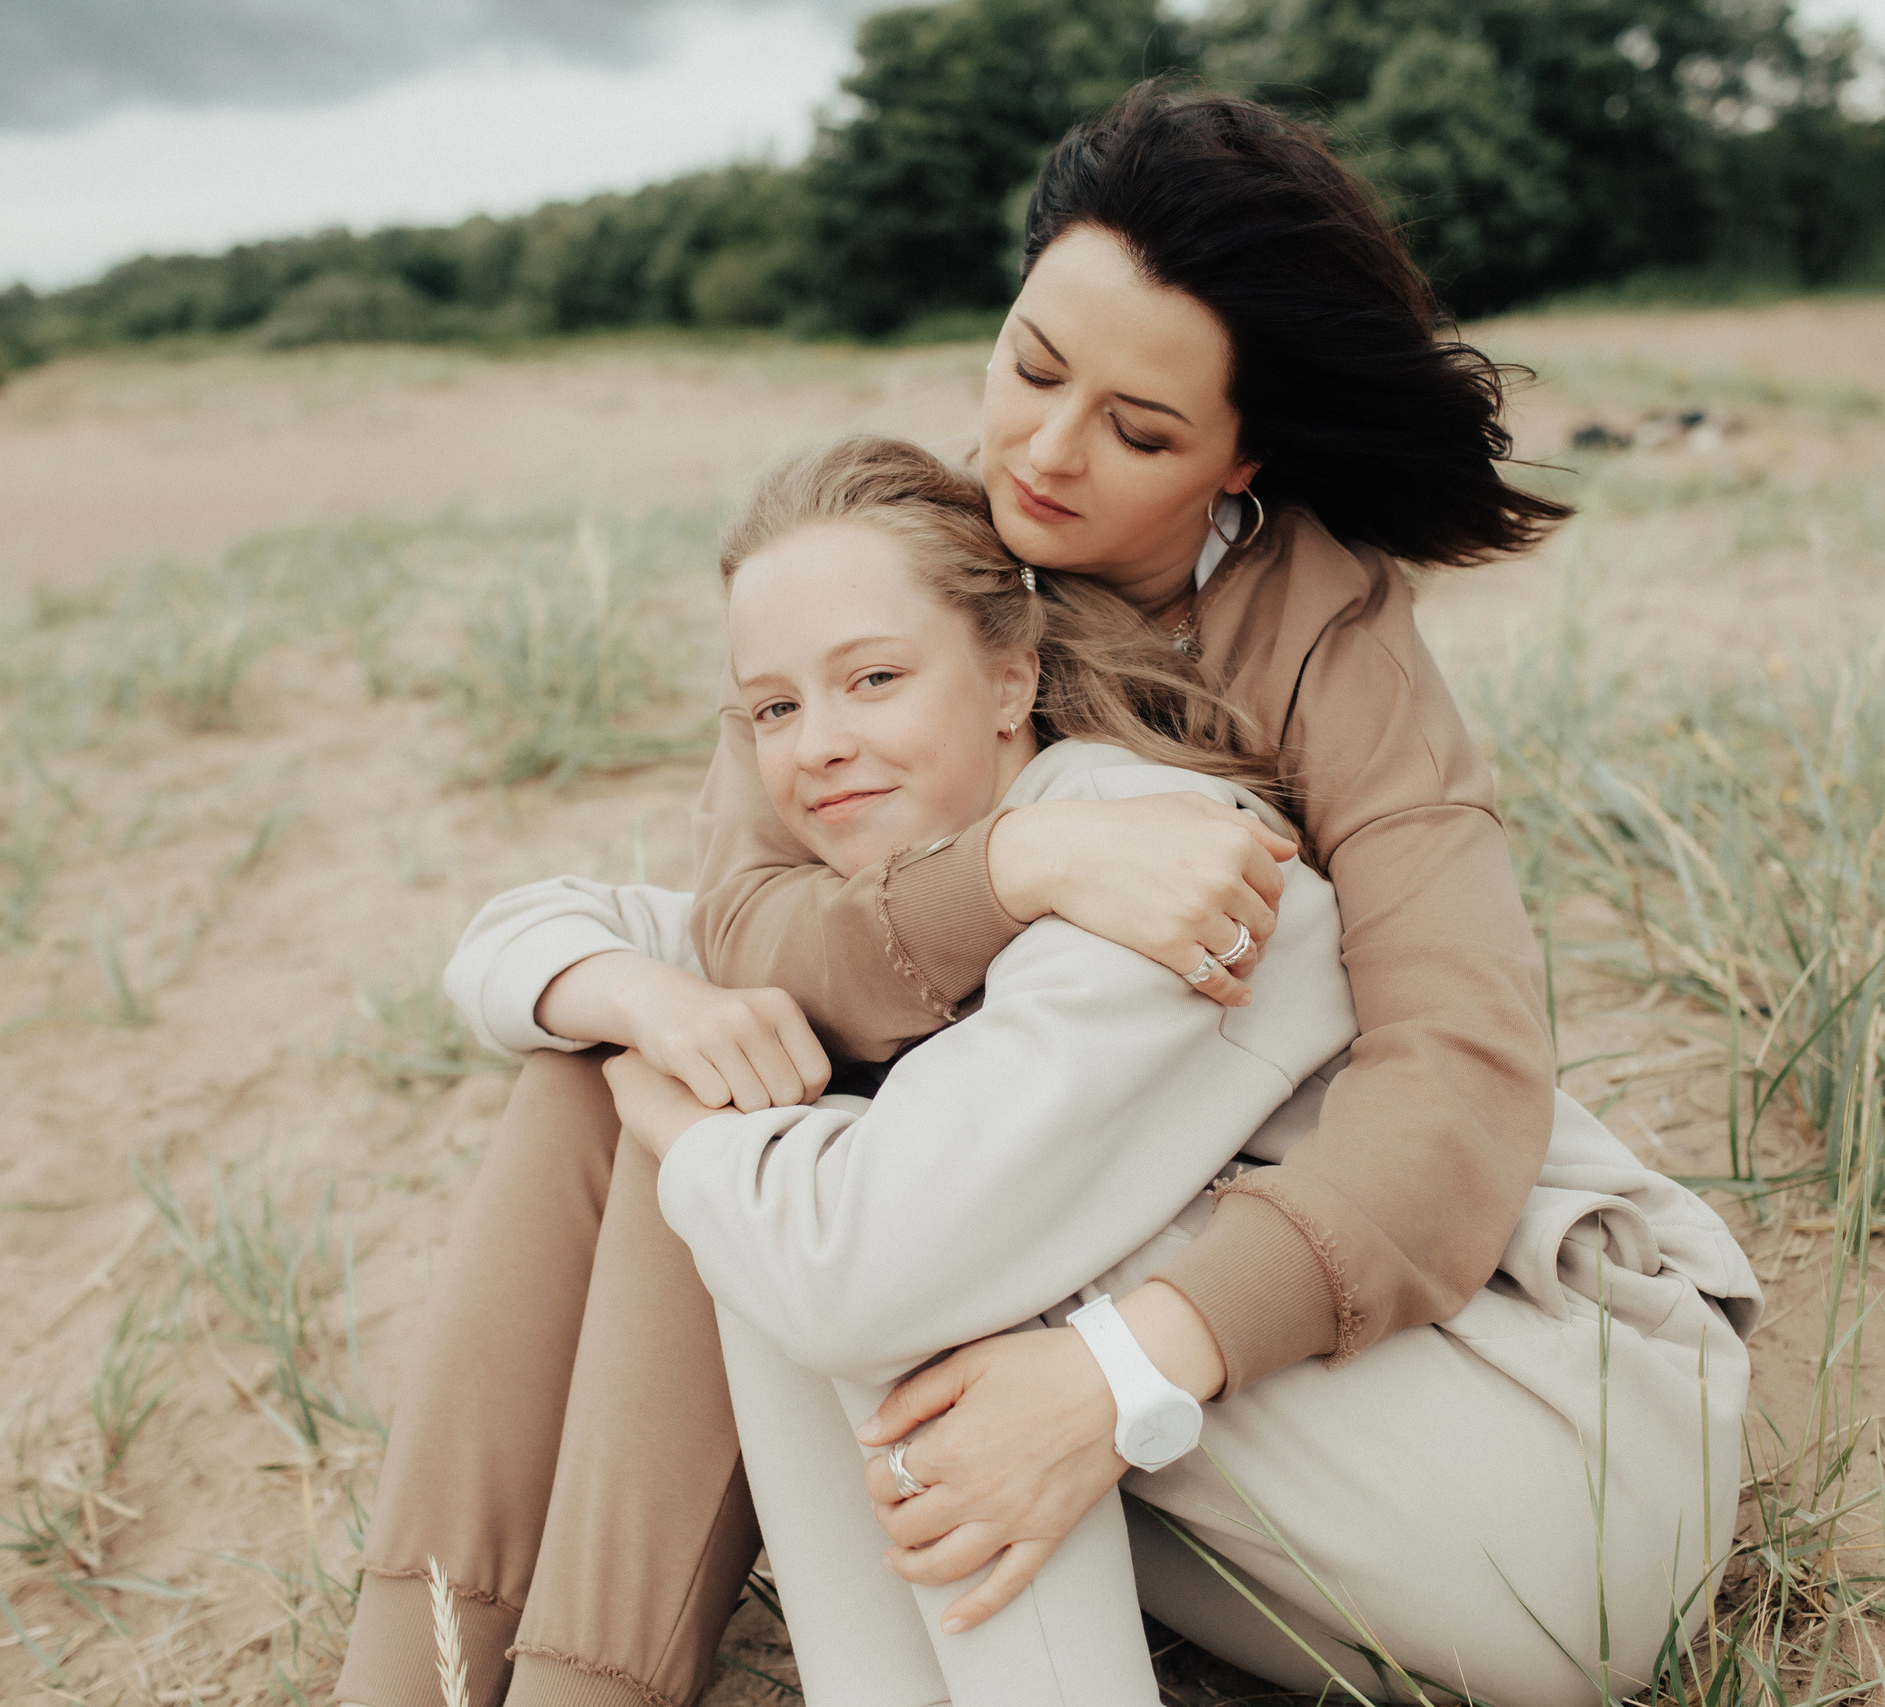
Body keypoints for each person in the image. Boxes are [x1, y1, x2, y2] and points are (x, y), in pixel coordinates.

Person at [328, 83, 1664, 1707]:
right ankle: (422, 1670)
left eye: (1140, 429)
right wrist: (1008, 871)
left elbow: (1460, 1081)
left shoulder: (1333, 645)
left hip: (1263, 1265)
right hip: (1015, 1167)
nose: (1041, 449)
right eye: (1032, 366)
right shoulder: (908, 554)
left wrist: (1126, 1369)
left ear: (1246, 450)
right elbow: (746, 911)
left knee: (755, 1159)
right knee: (642, 1083)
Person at [458, 434, 1759, 1703]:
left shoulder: (1164, 867)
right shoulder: (885, 898)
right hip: (1351, 1579)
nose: (818, 746)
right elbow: (514, 937)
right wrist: (630, 999)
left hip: (1563, 1495)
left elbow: (860, 1270)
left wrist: (679, 1112)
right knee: (779, 1133)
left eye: (873, 680)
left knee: (894, 1233)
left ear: (1011, 679)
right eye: (774, 711)